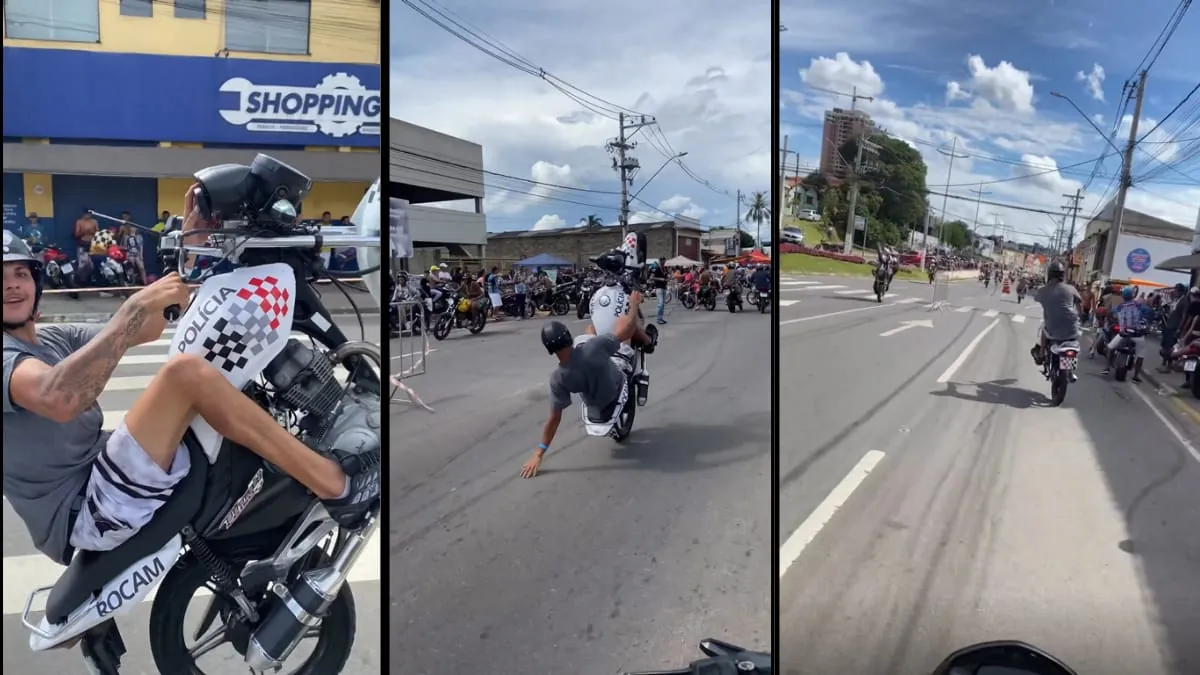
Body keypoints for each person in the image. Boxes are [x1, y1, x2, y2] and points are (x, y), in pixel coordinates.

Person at [1, 191, 380, 567]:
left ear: (36, 283)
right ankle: (337, 484)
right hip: (84, 510)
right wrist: (131, 307)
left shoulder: (53, 339)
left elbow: (146, 326)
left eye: (21, 273)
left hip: (106, 477)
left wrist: (190, 246)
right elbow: (58, 397)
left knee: (210, 377)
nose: (13, 285)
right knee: (184, 376)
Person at [521, 291, 648, 479]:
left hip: (594, 402)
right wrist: (634, 304)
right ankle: (649, 340)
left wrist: (539, 452)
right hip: (616, 383)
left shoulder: (558, 378)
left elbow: (554, 418)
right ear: (567, 336)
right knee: (623, 322)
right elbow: (628, 329)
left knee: (589, 331)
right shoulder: (594, 347)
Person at [1030, 260, 1082, 367]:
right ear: (1062, 274)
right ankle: (1069, 368)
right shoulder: (1071, 288)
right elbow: (1079, 302)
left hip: (1053, 328)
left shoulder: (1043, 290)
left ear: (1049, 274)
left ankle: (1041, 354)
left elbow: (1036, 297)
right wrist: (1079, 316)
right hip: (1072, 328)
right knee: (1073, 341)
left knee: (1044, 329)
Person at [1103, 285, 1151, 381]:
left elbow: (1111, 314)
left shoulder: (1120, 307)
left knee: (1110, 347)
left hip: (1123, 333)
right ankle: (1136, 376)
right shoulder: (1139, 306)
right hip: (1137, 334)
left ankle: (1107, 367)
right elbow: (1148, 315)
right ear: (1132, 296)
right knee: (1140, 355)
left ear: (1123, 296)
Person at [650, 259, 669, 325]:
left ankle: (661, 318)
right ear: (660, 261)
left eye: (664, 261)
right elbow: (651, 277)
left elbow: (666, 277)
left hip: (663, 287)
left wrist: (668, 279)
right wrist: (660, 279)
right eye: (662, 261)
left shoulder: (665, 269)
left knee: (662, 304)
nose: (663, 262)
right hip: (659, 287)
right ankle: (658, 319)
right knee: (660, 303)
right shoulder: (657, 268)